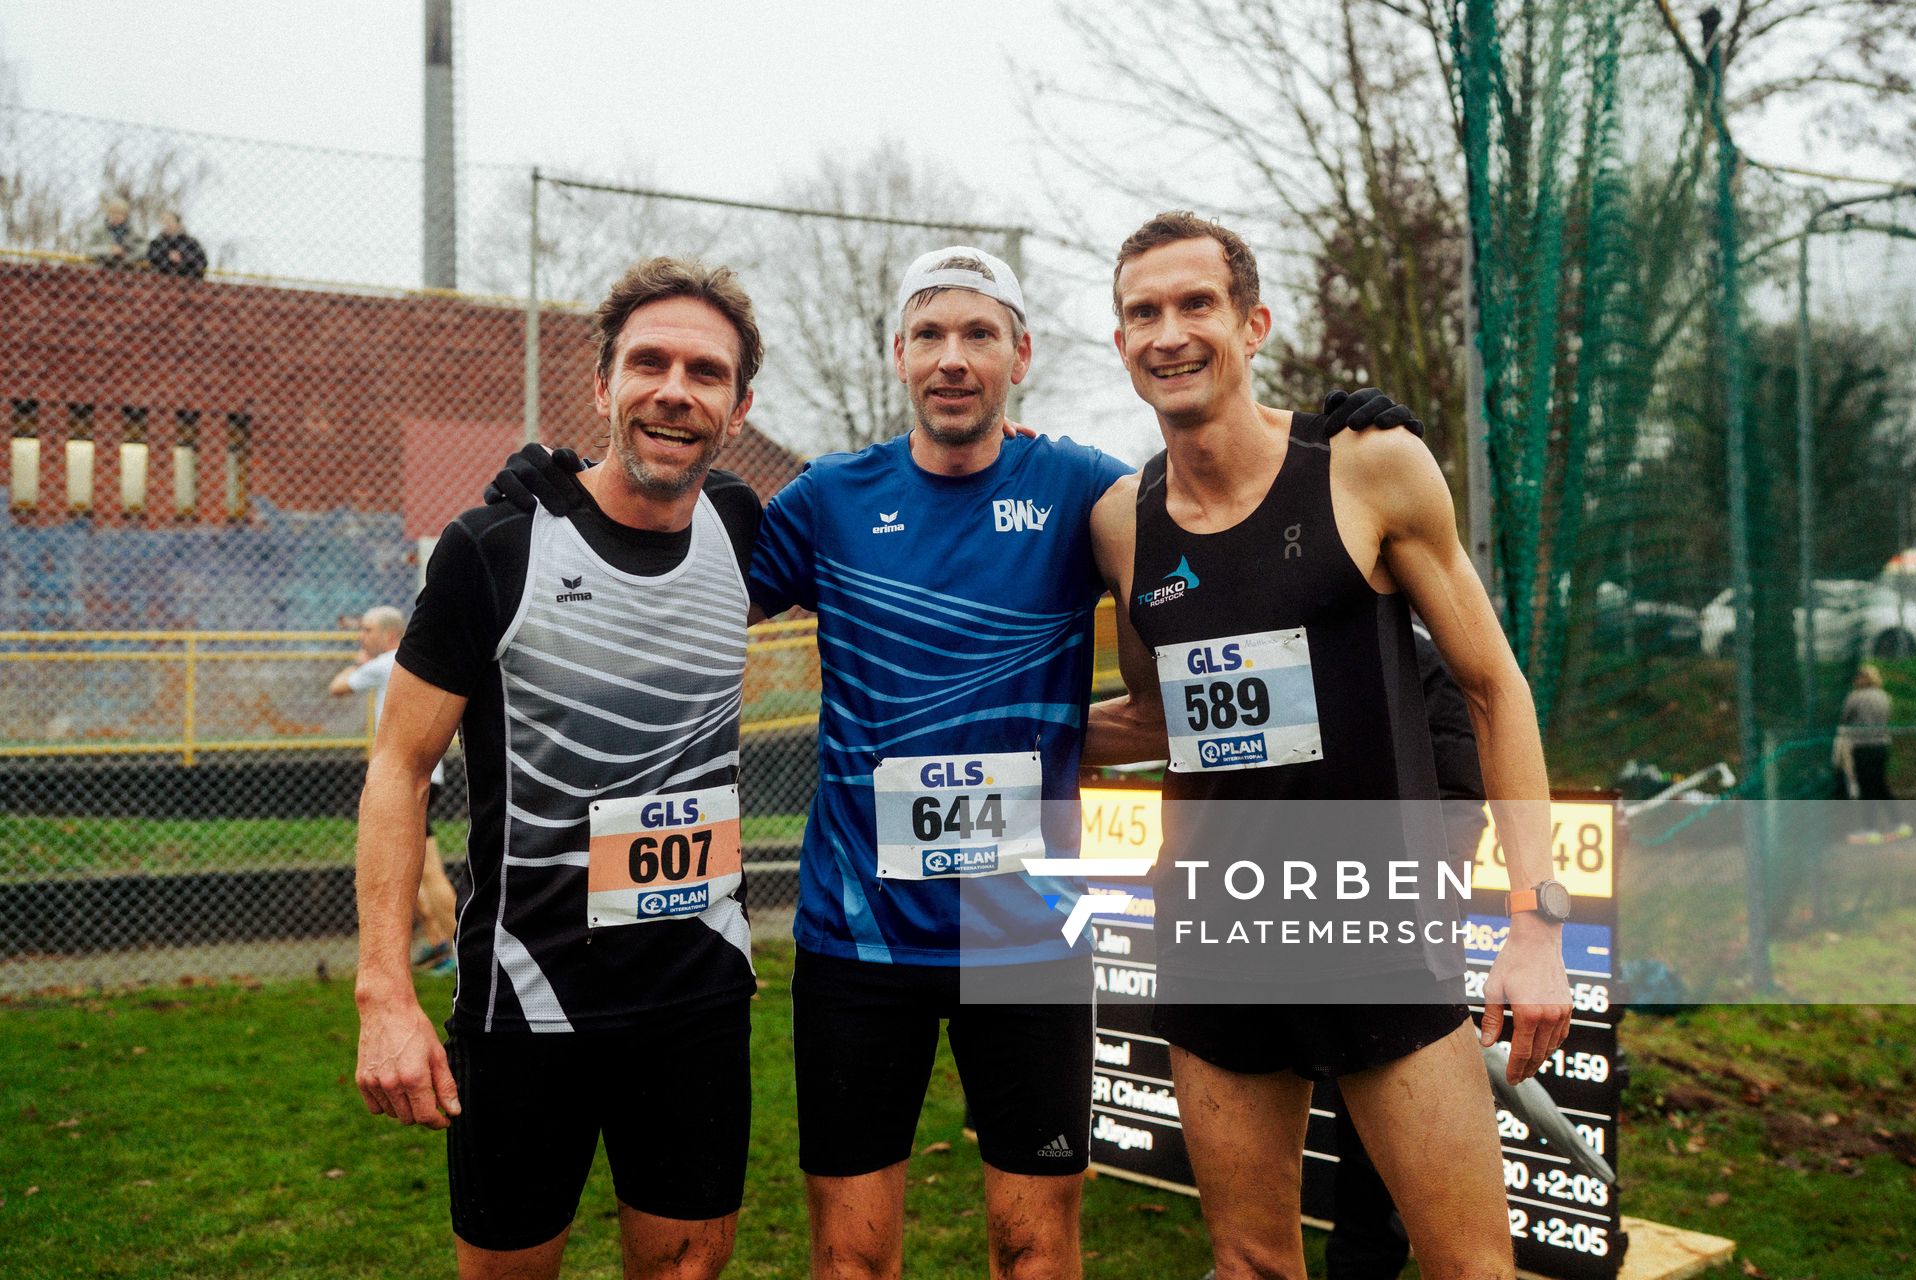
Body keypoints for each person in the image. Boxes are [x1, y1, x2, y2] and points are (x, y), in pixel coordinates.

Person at [489, 247, 1415, 1280]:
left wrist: (1322, 462)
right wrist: (558, 495)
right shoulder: (830, 498)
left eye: (980, 334)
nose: (954, 358)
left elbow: (1219, 550)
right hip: (858, 940)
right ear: (898, 355)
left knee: (1035, 1252)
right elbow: (667, 553)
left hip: (1025, 937)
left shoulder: (1084, 490)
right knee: (850, 1260)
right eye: (930, 334)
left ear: (1020, 352)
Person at [1084, 211, 1572, 1280]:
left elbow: (1497, 689)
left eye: (1195, 303)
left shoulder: (1368, 467)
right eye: (1142, 313)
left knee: (1469, 1269)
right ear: (1120, 346)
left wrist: (1536, 921)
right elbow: (1162, 719)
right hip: (1216, 934)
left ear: (1253, 323)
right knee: (1251, 1264)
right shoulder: (1124, 521)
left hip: (1374, 925)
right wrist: (1007, 741)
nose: (1169, 332)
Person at [353, 256, 766, 1280]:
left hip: (698, 999)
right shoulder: (494, 545)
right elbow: (397, 769)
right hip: (529, 1002)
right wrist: (386, 995)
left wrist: (1005, 448)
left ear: (740, 404)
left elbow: (914, 520)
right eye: (650, 362)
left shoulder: (744, 529)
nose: (676, 389)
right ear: (602, 385)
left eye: (706, 372)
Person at [1325, 619, 1488, 1280]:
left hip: (1387, 937)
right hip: (1284, 919)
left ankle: (1366, 1263)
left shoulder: (1421, 656)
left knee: (1382, 1140)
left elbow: (1457, 794)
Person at [330, 605, 459, 972]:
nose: (362, 635)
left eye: (367, 629)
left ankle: (464, 953)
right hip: (423, 776)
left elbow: (337, 686)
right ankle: (441, 945)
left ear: (389, 636)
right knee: (408, 868)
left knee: (429, 872)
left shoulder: (386, 662)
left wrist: (357, 663)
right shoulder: (411, 660)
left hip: (407, 779)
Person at [1837, 662, 1907, 843]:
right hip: (1882, 746)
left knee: (1867, 788)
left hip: (1863, 746)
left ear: (1861, 679)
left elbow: (1845, 718)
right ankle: (1900, 825)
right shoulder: (1884, 696)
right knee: (1881, 786)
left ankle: (1870, 829)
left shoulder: (1855, 697)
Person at [83, 196, 143, 269]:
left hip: (127, 268)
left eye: (120, 214)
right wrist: (109, 250)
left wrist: (126, 255)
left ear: (126, 216)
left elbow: (143, 248)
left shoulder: (133, 230)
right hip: (101, 267)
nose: (116, 217)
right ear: (107, 214)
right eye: (113, 213)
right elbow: (87, 249)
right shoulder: (97, 229)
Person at [146, 211, 208, 279]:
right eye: (163, 221)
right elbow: (150, 258)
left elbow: (202, 262)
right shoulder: (156, 243)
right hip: (160, 280)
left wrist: (182, 257)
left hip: (187, 281)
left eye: (169, 221)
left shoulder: (191, 243)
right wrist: (167, 255)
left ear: (178, 224)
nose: (166, 224)